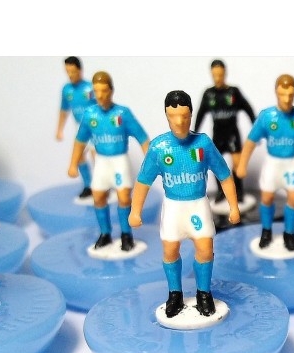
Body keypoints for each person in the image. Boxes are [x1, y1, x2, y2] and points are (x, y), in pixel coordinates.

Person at [130, 90, 240, 318]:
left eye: (184, 116)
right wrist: (135, 211)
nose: (179, 122)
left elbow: (224, 175)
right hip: (173, 207)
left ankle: (203, 293)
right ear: (166, 116)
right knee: (170, 250)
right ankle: (175, 294)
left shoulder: (203, 144)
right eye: (173, 116)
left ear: (191, 115)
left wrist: (234, 206)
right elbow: (143, 181)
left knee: (205, 249)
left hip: (198, 205)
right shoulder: (159, 147)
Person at [235, 74, 294, 251]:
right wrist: (242, 164)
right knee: (267, 197)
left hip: (291, 164)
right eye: (283, 94)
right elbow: (251, 142)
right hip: (273, 163)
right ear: (276, 92)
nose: (287, 99)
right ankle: (266, 231)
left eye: (291, 95)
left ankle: (289, 233)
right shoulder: (267, 116)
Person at [68, 71, 149, 252]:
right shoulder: (90, 114)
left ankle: (126, 234)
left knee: (123, 197)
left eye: (104, 90)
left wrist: (150, 161)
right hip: (102, 162)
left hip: (119, 161)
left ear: (111, 90)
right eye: (96, 91)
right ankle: (105, 233)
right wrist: (73, 163)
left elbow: (142, 137)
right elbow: (80, 141)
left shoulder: (122, 113)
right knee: (98, 197)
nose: (100, 95)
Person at [194, 59, 255, 202]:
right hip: (218, 134)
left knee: (238, 162)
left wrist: (255, 126)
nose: (218, 78)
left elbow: (248, 108)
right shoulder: (208, 94)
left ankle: (239, 191)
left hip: (232, 133)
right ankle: (221, 191)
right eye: (215, 75)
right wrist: (195, 133)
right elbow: (200, 114)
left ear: (225, 73)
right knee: (216, 163)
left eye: (220, 75)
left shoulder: (233, 92)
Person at [56, 56, 95, 198]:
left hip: (94, 127)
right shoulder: (67, 90)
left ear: (80, 70)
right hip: (80, 128)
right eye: (67, 71)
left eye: (73, 71)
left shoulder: (90, 87)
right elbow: (63, 110)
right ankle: (88, 185)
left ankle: (103, 186)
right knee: (79, 156)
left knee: (97, 155)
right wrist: (59, 129)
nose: (70, 75)